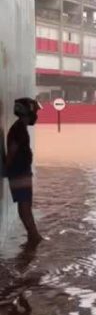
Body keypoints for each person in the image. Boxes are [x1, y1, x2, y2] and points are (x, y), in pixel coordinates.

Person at [5, 98, 42, 246]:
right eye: (34, 111)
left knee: (24, 203)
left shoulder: (19, 127)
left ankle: (32, 235)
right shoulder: (19, 129)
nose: (36, 115)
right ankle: (33, 236)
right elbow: (13, 152)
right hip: (20, 172)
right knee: (25, 204)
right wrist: (9, 168)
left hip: (20, 171)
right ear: (27, 111)